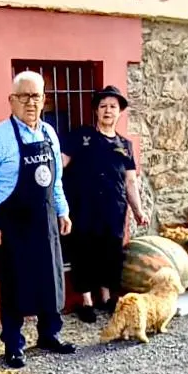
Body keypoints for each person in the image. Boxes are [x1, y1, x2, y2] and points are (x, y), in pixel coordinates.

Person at [0, 70, 77, 368]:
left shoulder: (50, 134)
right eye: (24, 96)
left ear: (44, 100)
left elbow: (56, 179)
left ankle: (49, 334)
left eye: (36, 96)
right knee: (13, 283)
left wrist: (63, 210)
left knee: (50, 279)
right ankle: (14, 344)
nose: (30, 102)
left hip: (45, 221)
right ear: (11, 100)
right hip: (12, 225)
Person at [62, 84, 149, 323]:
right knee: (84, 252)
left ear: (119, 111)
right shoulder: (81, 136)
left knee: (110, 253)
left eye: (112, 106)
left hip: (114, 209)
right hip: (84, 208)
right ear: (96, 111)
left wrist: (138, 210)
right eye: (103, 106)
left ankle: (107, 297)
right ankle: (86, 302)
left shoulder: (125, 145)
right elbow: (61, 164)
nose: (108, 110)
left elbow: (130, 181)